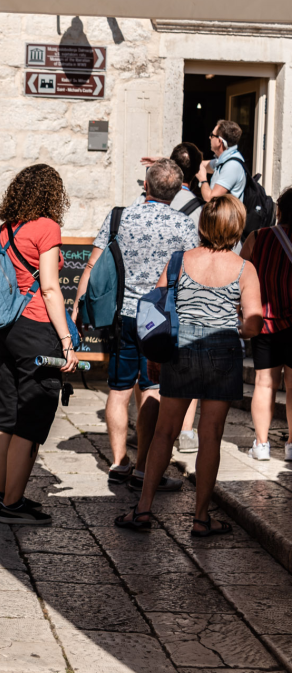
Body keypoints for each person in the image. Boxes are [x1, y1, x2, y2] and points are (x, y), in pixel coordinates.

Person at [116, 196, 262, 536]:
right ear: (236, 228)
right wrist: (231, 327)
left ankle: (143, 510)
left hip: (181, 351)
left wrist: (154, 355)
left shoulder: (179, 261)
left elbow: (154, 313)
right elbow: (253, 326)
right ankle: (200, 519)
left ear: (203, 225)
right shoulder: (244, 268)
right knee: (210, 435)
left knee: (165, 432)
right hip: (223, 352)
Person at [73, 159, 199, 492]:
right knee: (152, 390)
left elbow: (92, 264)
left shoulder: (120, 217)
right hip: (159, 319)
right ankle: (144, 467)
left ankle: (118, 463)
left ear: (146, 185)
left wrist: (78, 309)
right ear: (177, 192)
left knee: (118, 390)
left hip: (121, 315)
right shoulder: (185, 226)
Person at [0, 165, 78, 525]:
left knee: (6, 410)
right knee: (32, 413)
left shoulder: (4, 230)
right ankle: (13, 504)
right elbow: (51, 287)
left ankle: (4, 492)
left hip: (6, 327)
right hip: (38, 326)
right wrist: (67, 341)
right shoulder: (47, 227)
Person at [138, 143, 206, 453]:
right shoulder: (195, 212)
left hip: (142, 306)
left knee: (146, 382)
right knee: (182, 373)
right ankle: (186, 432)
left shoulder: (131, 212)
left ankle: (145, 438)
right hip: (180, 305)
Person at [240, 187, 292, 460]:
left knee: (264, 383)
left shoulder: (258, 236)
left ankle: (261, 445)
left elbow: (240, 272)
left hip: (265, 321)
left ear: (280, 210)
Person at [199, 119, 246, 202]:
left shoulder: (232, 166)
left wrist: (202, 179)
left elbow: (211, 198)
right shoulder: (224, 159)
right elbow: (202, 164)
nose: (209, 137)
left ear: (219, 141)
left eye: (212, 135)